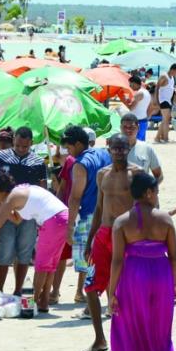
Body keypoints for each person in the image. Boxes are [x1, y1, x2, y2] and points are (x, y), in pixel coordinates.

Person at [108, 172, 176, 351]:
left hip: (133, 276)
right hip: (161, 274)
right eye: (156, 191)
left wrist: (112, 292)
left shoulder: (121, 223)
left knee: (129, 330)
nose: (157, 195)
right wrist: (175, 284)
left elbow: (117, 260)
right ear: (148, 193)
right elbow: (174, 257)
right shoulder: (165, 219)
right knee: (160, 332)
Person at [0, 173, 70, 313]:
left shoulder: (12, 198)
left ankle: (31, 303)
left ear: (3, 191)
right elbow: (17, 219)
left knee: (41, 265)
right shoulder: (19, 192)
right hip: (64, 218)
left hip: (52, 221)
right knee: (49, 265)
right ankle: (43, 302)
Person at [79, 135, 137, 351]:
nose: (119, 151)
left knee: (122, 292)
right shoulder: (102, 173)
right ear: (109, 149)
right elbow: (99, 207)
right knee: (90, 288)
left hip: (126, 236)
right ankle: (99, 340)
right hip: (103, 235)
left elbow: (148, 207)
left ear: (128, 148)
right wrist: (90, 239)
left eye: (123, 147)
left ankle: (120, 344)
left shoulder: (137, 174)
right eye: (115, 148)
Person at [0, 126, 46, 294]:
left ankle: (17, 290)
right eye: (18, 146)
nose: (21, 149)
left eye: (25, 146)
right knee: (5, 249)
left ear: (31, 143)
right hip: (5, 210)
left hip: (29, 212)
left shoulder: (37, 162)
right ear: (13, 141)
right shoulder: (2, 156)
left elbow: (43, 187)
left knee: (24, 251)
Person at [61, 127, 111, 304]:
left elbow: (75, 197)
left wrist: (69, 226)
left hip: (90, 215)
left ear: (78, 144)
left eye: (69, 147)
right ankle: (83, 294)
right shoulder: (105, 155)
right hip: (109, 215)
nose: (68, 152)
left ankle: (90, 301)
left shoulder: (80, 164)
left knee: (88, 259)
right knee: (105, 259)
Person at [118, 114, 163, 183]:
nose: (128, 130)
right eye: (125, 127)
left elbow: (158, 175)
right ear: (120, 127)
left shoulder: (147, 148)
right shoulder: (113, 149)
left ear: (138, 128)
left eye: (132, 127)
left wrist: (149, 189)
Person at [154, 63, 176, 143]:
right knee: (166, 119)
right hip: (162, 100)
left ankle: (160, 137)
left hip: (168, 101)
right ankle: (163, 138)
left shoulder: (172, 78)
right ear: (173, 69)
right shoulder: (164, 76)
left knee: (165, 120)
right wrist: (157, 101)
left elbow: (169, 88)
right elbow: (157, 88)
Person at [126, 76, 151, 141]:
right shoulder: (146, 92)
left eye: (130, 84)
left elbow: (131, 108)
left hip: (137, 122)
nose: (130, 86)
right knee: (141, 145)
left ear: (134, 83)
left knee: (135, 144)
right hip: (144, 120)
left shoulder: (139, 93)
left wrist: (124, 101)